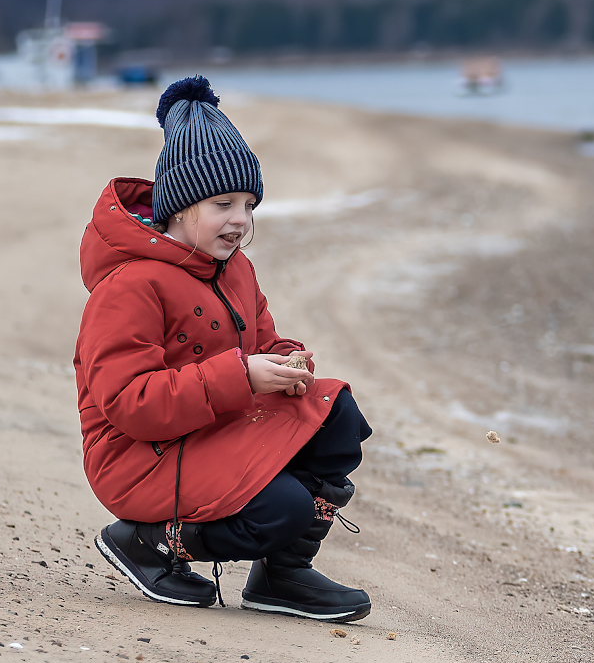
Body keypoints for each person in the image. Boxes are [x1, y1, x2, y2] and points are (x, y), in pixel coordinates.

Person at [74, 76, 372, 622]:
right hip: (139, 457)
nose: (242, 220)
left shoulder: (234, 269)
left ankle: (282, 575)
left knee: (336, 413)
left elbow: (260, 341)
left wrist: (286, 359)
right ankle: (148, 543)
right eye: (223, 203)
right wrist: (244, 377)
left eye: (250, 205)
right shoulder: (130, 286)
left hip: (209, 429)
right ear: (181, 206)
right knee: (282, 506)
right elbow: (130, 403)